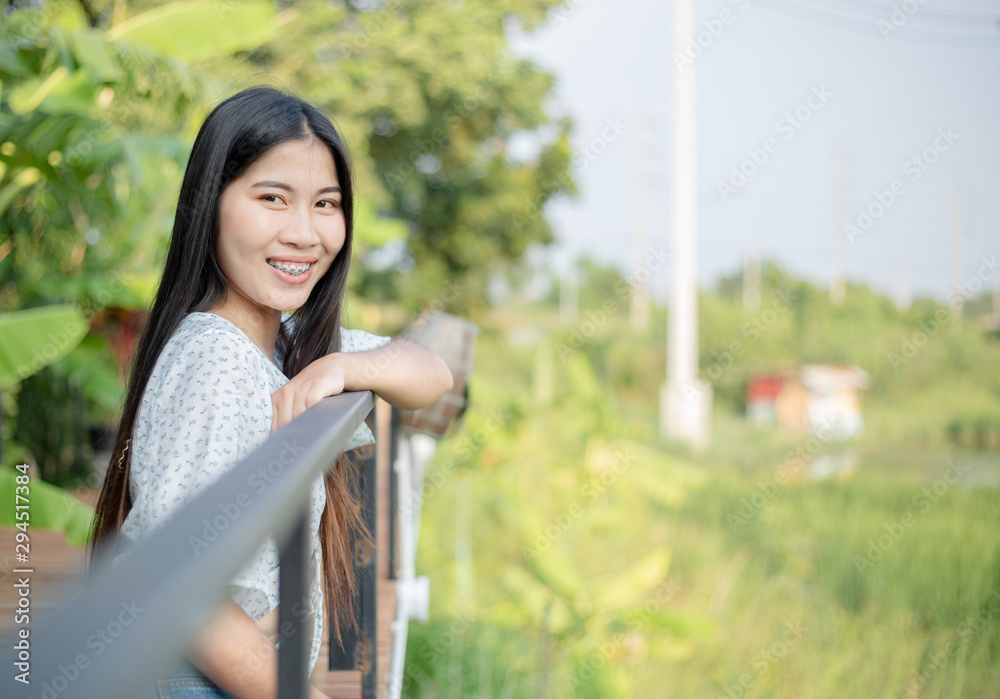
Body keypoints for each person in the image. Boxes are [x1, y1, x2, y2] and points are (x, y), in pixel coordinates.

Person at [86, 86, 454, 698]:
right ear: (211, 205)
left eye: (326, 204)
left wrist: (344, 369)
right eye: (273, 199)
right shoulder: (215, 359)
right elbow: (175, 585)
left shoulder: (285, 342)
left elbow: (431, 373)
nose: (305, 234)